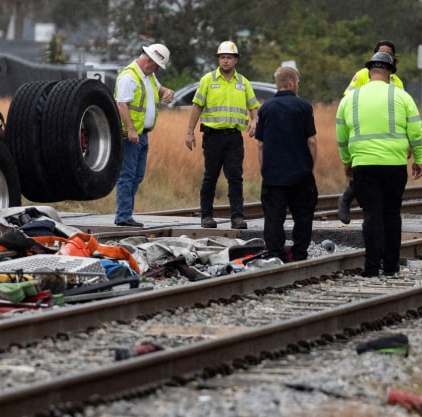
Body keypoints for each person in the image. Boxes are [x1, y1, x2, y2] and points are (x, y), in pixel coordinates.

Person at [335, 51, 422, 277]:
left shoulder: (350, 98)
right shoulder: (402, 97)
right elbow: (415, 130)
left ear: (369, 72)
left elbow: (341, 134)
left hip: (363, 164)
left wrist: (347, 161)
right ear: (390, 73)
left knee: (371, 215)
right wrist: (418, 158)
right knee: (392, 214)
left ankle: (371, 268)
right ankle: (391, 267)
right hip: (394, 165)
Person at [184, 41, 260, 230]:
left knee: (235, 177)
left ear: (235, 60)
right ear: (219, 59)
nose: (225, 61)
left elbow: (254, 106)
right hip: (212, 137)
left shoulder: (243, 83)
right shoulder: (208, 80)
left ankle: (237, 217)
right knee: (210, 176)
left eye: (229, 57)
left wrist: (254, 121)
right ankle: (207, 216)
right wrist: (189, 131)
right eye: (222, 57)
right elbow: (197, 106)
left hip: (234, 137)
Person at [338, 40, 405, 225]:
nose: (386, 56)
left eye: (389, 54)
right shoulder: (362, 75)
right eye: (381, 52)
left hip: (388, 132)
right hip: (365, 128)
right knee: (364, 168)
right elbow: (347, 98)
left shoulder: (397, 81)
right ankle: (346, 199)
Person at [255, 66, 318, 261]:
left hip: (274, 175)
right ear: (291, 83)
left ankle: (276, 254)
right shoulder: (304, 107)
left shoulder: (265, 108)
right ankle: (299, 252)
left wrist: (264, 170)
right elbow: (312, 141)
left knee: (274, 217)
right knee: (303, 216)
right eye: (297, 82)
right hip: (301, 173)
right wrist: (310, 167)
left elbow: (260, 145)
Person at [114, 43, 175, 228]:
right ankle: (123, 216)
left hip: (142, 135)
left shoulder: (148, 76)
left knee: (137, 176)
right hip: (130, 135)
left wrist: (167, 92)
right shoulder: (129, 77)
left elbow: (159, 88)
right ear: (149, 61)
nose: (156, 69)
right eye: (156, 65)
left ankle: (126, 215)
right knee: (127, 176)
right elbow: (121, 104)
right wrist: (131, 130)